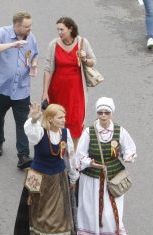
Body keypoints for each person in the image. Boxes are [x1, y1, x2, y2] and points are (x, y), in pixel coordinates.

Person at [75, 97, 136, 235]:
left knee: (109, 216)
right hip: (91, 179)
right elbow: (80, 155)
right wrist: (91, 163)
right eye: (100, 112)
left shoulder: (119, 131)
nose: (103, 115)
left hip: (112, 180)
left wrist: (128, 156)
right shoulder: (89, 132)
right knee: (91, 213)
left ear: (112, 113)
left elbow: (129, 149)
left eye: (106, 112)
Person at [12, 103, 78, 235]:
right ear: (50, 119)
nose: (64, 120)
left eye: (64, 117)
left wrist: (73, 176)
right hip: (39, 178)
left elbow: (70, 156)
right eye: (60, 117)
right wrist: (34, 120)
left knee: (58, 216)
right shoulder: (40, 132)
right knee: (39, 213)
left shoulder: (65, 133)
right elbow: (31, 134)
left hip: (58, 179)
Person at [0, 11, 39, 169]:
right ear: (16, 25)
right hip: (2, 88)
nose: (30, 29)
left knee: (22, 122)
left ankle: (23, 155)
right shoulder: (1, 33)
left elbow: (34, 54)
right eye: (27, 26)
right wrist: (12, 45)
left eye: (31, 26)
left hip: (22, 88)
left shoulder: (31, 37)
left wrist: (34, 65)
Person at [42, 17, 96, 148]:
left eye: (62, 29)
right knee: (56, 121)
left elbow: (92, 61)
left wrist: (84, 58)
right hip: (57, 90)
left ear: (71, 29)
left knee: (75, 122)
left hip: (76, 91)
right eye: (58, 29)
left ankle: (73, 155)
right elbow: (48, 68)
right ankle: (55, 152)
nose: (59, 32)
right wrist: (45, 92)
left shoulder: (82, 42)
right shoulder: (54, 44)